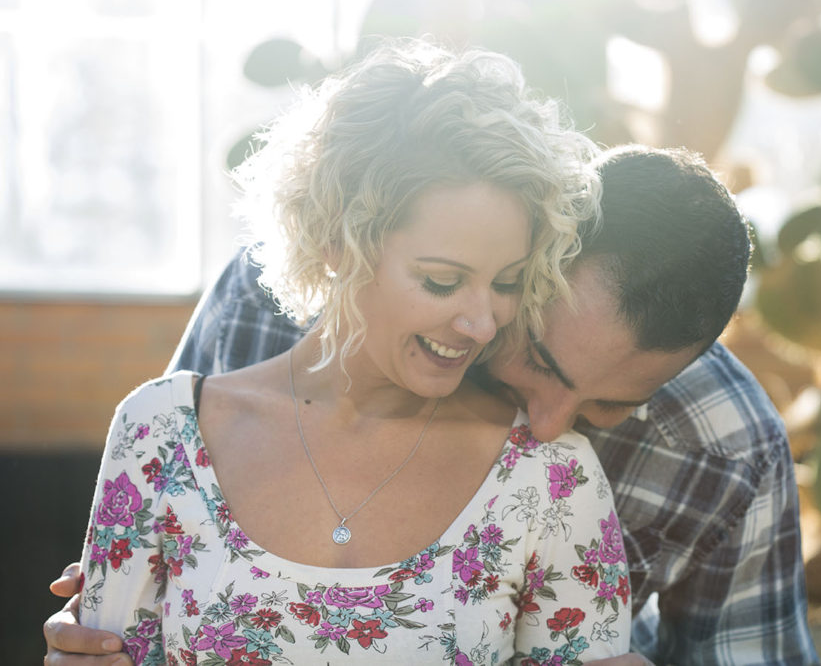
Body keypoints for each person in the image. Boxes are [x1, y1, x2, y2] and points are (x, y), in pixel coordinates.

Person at [45, 149, 818, 662]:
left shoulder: (728, 442)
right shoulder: (276, 296)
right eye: (538, 358)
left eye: (613, 406)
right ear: (520, 269)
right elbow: (167, 499)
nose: (548, 424)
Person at [65, 37, 637, 665]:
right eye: (442, 281)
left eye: (506, 283)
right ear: (338, 241)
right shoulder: (162, 433)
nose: (481, 323)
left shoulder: (553, 478)